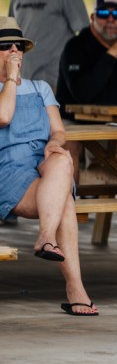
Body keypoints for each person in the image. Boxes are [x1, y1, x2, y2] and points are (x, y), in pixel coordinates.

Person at [0, 18, 97, 315]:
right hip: (8, 170)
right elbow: (4, 117)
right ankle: (75, 287)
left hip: (43, 163)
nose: (14, 51)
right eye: (5, 46)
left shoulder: (40, 88)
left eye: (19, 46)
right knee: (65, 201)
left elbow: (59, 131)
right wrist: (10, 79)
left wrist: (54, 143)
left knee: (63, 158)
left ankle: (46, 237)